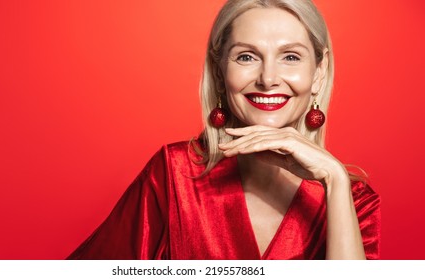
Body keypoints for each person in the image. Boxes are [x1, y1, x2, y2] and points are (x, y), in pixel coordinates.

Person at [68, 0, 380, 260]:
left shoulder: (353, 199)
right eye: (246, 56)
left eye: (290, 57)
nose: (268, 78)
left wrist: (335, 180)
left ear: (318, 71)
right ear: (220, 72)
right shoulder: (173, 173)